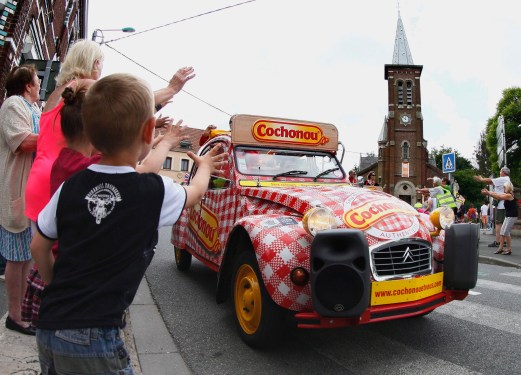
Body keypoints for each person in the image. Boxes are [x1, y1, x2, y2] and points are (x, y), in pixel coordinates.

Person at [30, 73, 226, 374]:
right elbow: (195, 193)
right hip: (95, 335)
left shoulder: (70, 186)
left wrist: (55, 283)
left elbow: (39, 245)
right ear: (149, 131)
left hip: (49, 323)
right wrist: (206, 166)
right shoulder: (151, 190)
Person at [22, 82, 189, 329]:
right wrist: (163, 144)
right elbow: (141, 167)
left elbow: (126, 154)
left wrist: (151, 138)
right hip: (77, 278)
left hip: (60, 269)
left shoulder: (67, 161)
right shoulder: (85, 169)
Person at [25, 39, 196, 230]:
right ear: (95, 62)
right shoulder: (86, 86)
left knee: (44, 253)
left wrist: (153, 111)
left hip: (42, 179)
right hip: (68, 182)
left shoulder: (57, 94)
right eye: (101, 63)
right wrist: (171, 88)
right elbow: (128, 104)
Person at [0, 65, 41, 335]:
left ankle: (24, 312)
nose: (39, 85)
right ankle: (14, 316)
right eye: (37, 81)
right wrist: (62, 138)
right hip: (16, 191)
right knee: (16, 259)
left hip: (29, 194)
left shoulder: (33, 110)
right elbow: (25, 142)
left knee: (26, 257)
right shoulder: (13, 104)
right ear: (27, 84)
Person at [474, 166, 511, 247]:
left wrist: (481, 179)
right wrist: (483, 180)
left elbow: (490, 180)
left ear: (503, 172)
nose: (499, 173)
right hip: (503, 204)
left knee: (498, 223)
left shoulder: (503, 179)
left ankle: (498, 241)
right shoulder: (507, 179)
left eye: (500, 171)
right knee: (502, 224)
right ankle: (502, 241)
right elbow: (491, 182)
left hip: (501, 205)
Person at [482, 181, 518, 255]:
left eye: (504, 187)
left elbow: (498, 197)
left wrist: (488, 193)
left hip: (512, 216)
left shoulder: (509, 195)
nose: (503, 188)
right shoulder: (506, 194)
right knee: (502, 232)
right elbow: (497, 194)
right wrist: (488, 191)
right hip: (508, 215)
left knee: (506, 232)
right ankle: (500, 249)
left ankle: (508, 249)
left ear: (508, 187)